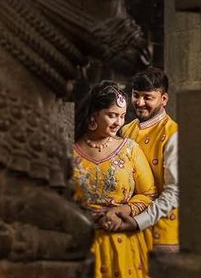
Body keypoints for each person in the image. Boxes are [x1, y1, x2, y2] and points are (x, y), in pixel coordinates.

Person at [73, 80, 157, 278]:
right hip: (81, 244)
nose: (119, 122)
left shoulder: (129, 149)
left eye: (121, 116)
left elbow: (148, 194)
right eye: (112, 115)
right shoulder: (70, 153)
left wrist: (120, 211)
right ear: (94, 114)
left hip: (124, 243)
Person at [120, 67, 179, 253]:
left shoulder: (173, 134)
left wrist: (138, 221)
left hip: (162, 237)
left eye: (148, 97)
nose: (140, 102)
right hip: (128, 231)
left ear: (164, 99)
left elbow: (174, 193)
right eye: (136, 95)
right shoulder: (126, 130)